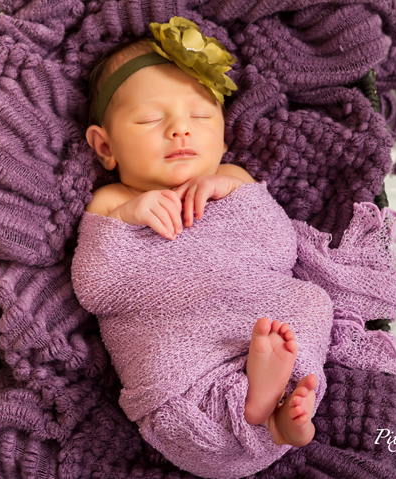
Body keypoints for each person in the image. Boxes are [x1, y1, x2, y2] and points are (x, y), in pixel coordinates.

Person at [75, 17, 331, 477]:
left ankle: (272, 413)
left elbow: (278, 251)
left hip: (251, 314)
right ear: (105, 146)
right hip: (178, 357)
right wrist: (127, 219)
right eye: (151, 119)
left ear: (224, 133)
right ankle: (264, 411)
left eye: (200, 115)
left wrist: (230, 194)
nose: (180, 130)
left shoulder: (233, 180)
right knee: (174, 362)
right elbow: (96, 287)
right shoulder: (113, 202)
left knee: (310, 303)